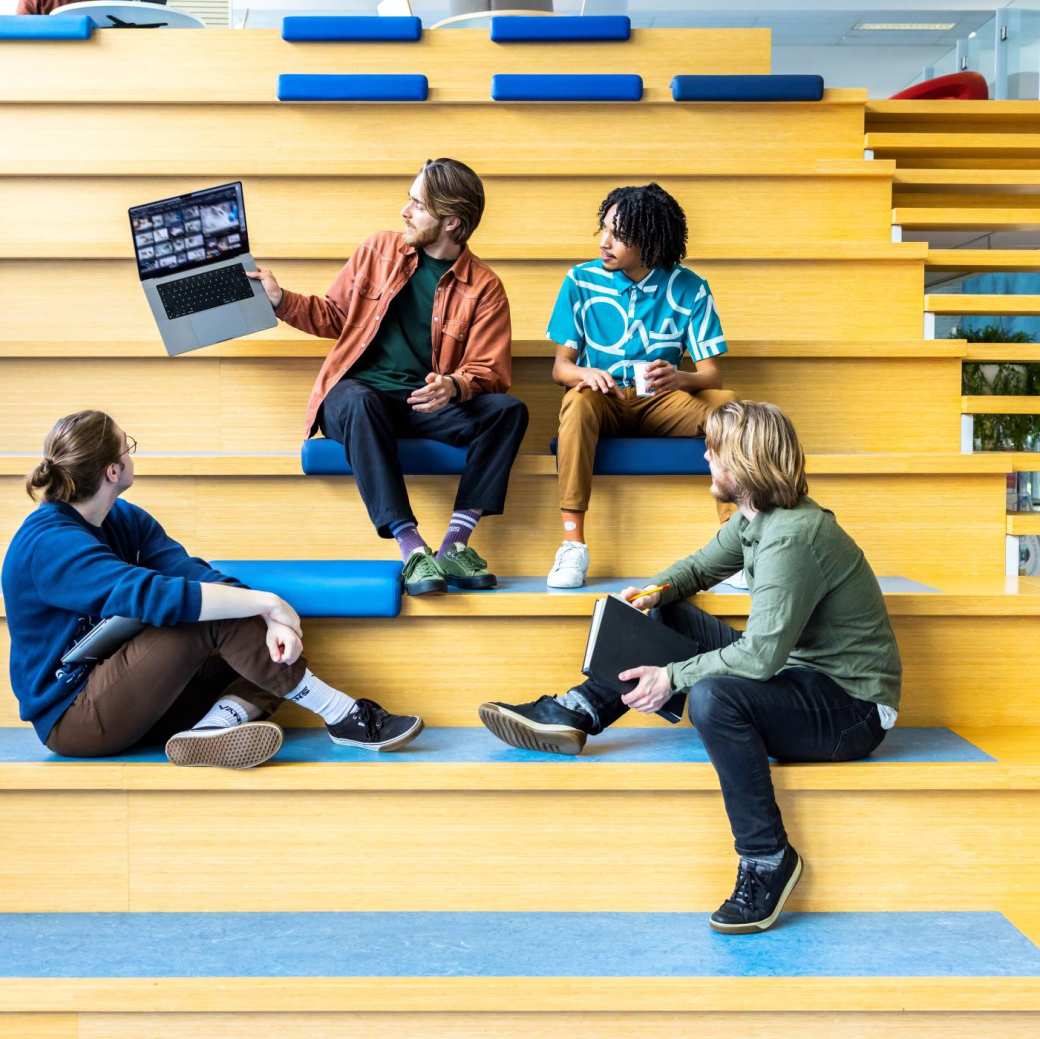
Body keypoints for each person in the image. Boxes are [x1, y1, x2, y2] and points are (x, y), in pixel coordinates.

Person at [480, 401, 902, 934]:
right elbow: (701, 567)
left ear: (744, 463)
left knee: (712, 698)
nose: (704, 456)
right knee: (669, 608)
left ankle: (768, 859)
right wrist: (655, 591)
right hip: (797, 678)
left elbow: (759, 657)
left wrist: (672, 678)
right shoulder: (758, 518)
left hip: (851, 711)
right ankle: (582, 709)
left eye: (714, 449)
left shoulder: (793, 538)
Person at [2, 411, 424, 769]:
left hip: (137, 700)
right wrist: (269, 602)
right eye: (126, 447)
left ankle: (213, 728)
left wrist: (269, 616)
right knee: (211, 619)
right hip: (75, 718)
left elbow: (189, 571)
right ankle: (341, 715)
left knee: (267, 643)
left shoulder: (123, 518)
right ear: (113, 471)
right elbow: (148, 593)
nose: (131, 454)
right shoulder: (48, 543)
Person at [249, 158, 528, 597]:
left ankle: (455, 544)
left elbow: (490, 370)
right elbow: (334, 315)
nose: (405, 211)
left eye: (417, 204)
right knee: (360, 400)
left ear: (452, 222)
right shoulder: (378, 250)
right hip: (355, 400)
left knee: (508, 412)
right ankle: (411, 545)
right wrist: (281, 300)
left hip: (421, 405)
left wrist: (453, 386)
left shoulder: (485, 287)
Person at [545, 183, 736, 588]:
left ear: (649, 243)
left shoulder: (690, 287)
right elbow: (561, 368)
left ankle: (735, 545)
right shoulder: (580, 280)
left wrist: (680, 377)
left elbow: (711, 376)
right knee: (576, 402)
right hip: (603, 399)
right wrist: (586, 375)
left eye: (619, 235)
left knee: (730, 408)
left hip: (662, 402)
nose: (604, 242)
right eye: (604, 229)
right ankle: (572, 545)